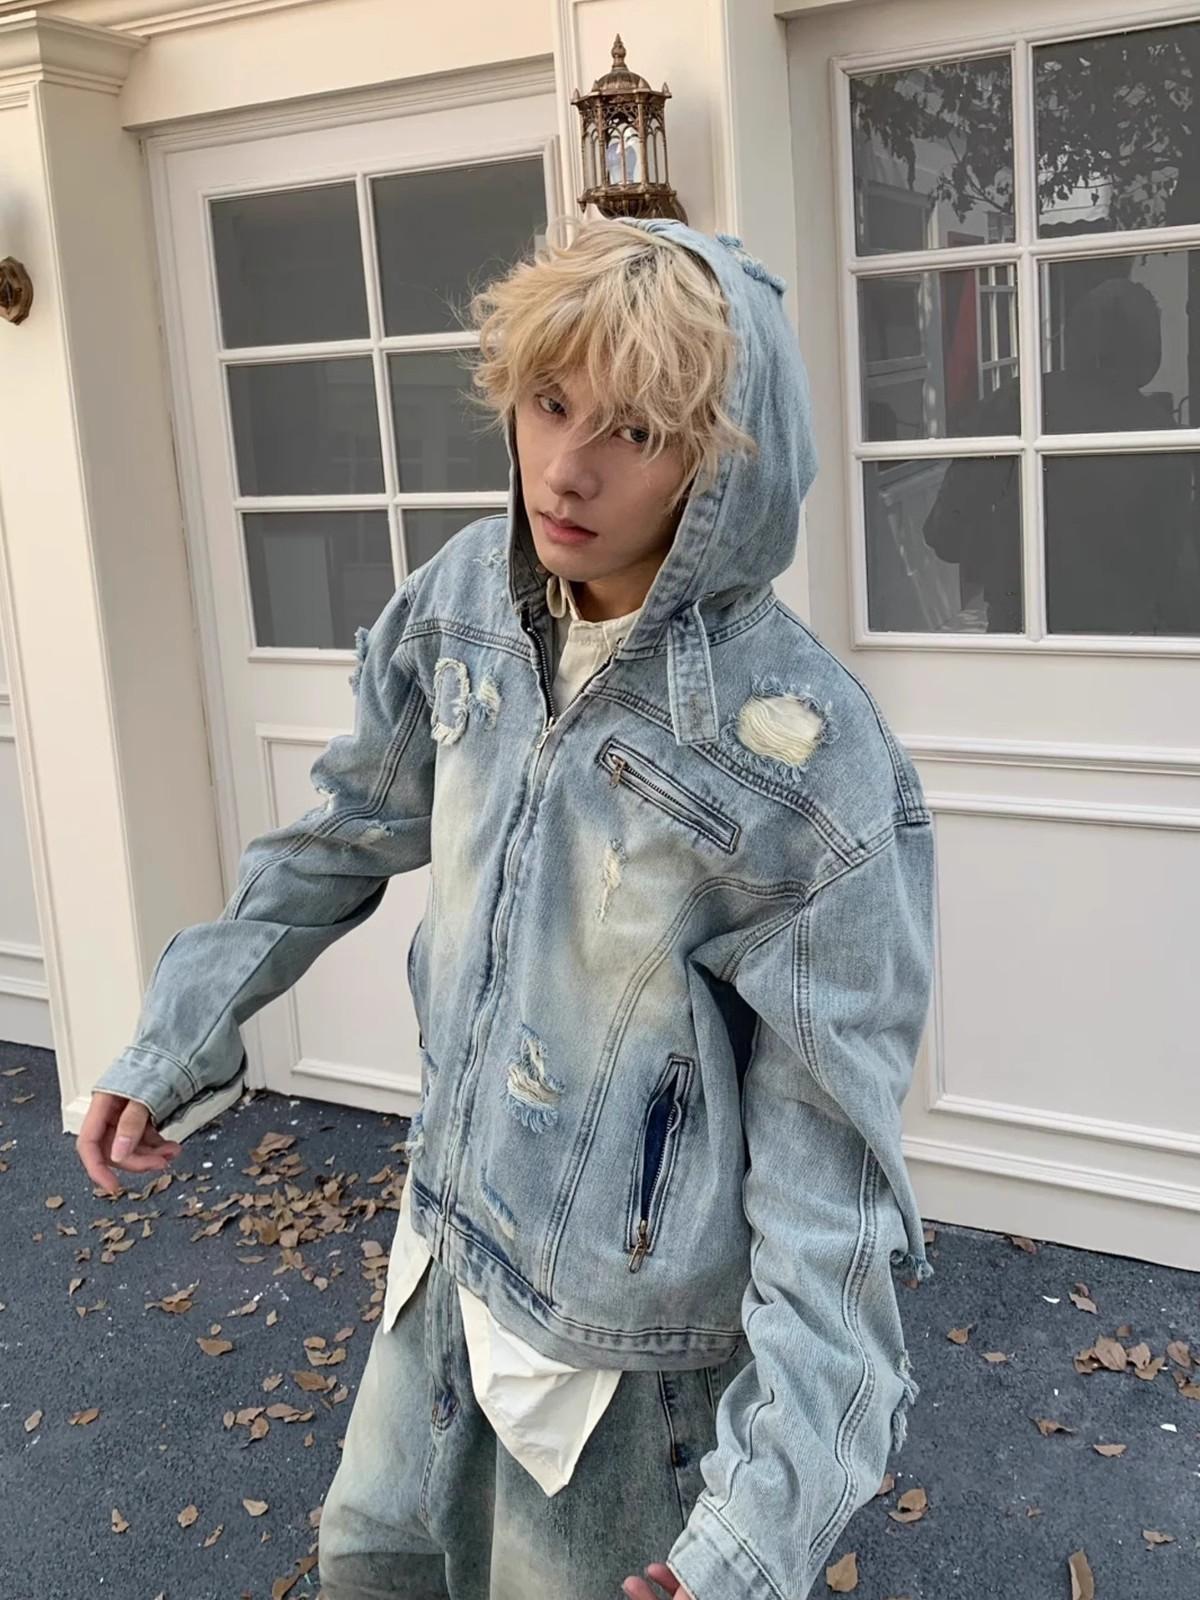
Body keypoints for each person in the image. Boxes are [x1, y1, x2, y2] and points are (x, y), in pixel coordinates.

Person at [77, 216, 936, 1600]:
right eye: (548, 403)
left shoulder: (807, 758)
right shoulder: (466, 602)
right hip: (441, 1257)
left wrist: (753, 1530)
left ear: (721, 461)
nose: (567, 468)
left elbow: (829, 1182)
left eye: (636, 432)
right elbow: (341, 830)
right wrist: (180, 1031)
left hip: (620, 1361)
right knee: (373, 1568)